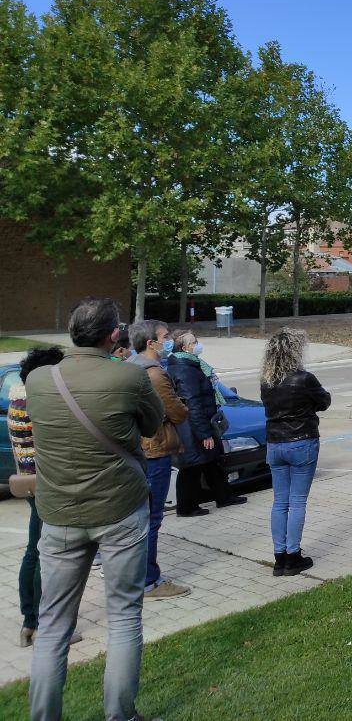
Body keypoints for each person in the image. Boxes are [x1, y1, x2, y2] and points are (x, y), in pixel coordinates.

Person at [25, 297, 163, 721]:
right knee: (123, 616)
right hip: (119, 511)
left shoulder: (38, 380)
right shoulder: (129, 378)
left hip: (60, 514)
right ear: (114, 335)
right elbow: (153, 426)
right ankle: (120, 715)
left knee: (52, 625)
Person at [9, 347, 83, 649]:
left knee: (32, 550)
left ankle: (29, 622)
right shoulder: (40, 398)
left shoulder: (18, 391)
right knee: (47, 555)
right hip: (49, 483)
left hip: (29, 481)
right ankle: (44, 626)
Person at [127, 321, 192, 599]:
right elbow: (177, 412)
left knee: (138, 519)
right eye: (165, 337)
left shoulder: (130, 366)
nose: (170, 341)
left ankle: (134, 576)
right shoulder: (154, 374)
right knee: (152, 519)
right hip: (155, 451)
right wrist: (183, 408)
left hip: (137, 450)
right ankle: (149, 581)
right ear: (151, 343)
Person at [260, 328, 331, 575]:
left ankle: (280, 556)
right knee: (297, 501)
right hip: (301, 441)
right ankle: (293, 554)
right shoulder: (303, 378)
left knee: (280, 501)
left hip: (275, 443)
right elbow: (323, 401)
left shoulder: (267, 380)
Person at [168, 331, 244, 517]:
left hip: (199, 423)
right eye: (194, 342)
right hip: (193, 427)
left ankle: (224, 497)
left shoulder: (190, 365)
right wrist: (204, 434)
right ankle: (186, 508)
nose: (198, 344)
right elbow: (192, 403)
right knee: (193, 467)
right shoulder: (184, 368)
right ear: (184, 347)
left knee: (211, 463)